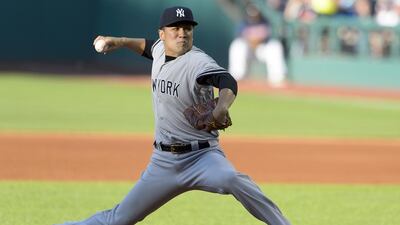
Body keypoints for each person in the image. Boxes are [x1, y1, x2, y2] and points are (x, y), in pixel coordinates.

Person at [55, 6, 291, 225]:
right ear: (162, 34)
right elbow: (147, 46)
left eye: (187, 29)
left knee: (232, 179)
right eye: (175, 28)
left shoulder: (198, 62)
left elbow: (226, 81)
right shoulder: (159, 49)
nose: (182, 34)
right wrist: (119, 41)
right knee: (119, 219)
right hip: (163, 162)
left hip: (203, 158)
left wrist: (222, 106)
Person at [226, 2, 288, 87]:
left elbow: (269, 37)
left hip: (261, 50)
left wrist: (255, 40)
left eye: (255, 14)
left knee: (275, 46)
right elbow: (240, 36)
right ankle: (237, 77)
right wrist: (252, 40)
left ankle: (277, 78)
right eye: (251, 14)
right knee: (237, 45)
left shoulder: (265, 21)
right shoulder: (244, 23)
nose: (253, 16)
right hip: (248, 50)